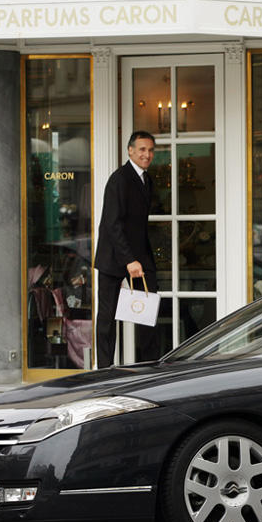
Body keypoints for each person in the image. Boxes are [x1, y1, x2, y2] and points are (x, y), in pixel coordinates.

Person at [94, 131, 159, 366]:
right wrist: (129, 259)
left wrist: (140, 258)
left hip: (140, 256)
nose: (147, 154)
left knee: (148, 313)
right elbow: (112, 223)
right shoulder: (119, 179)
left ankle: (151, 367)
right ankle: (103, 371)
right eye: (142, 149)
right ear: (130, 151)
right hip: (113, 257)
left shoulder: (147, 180)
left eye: (150, 150)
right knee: (107, 319)